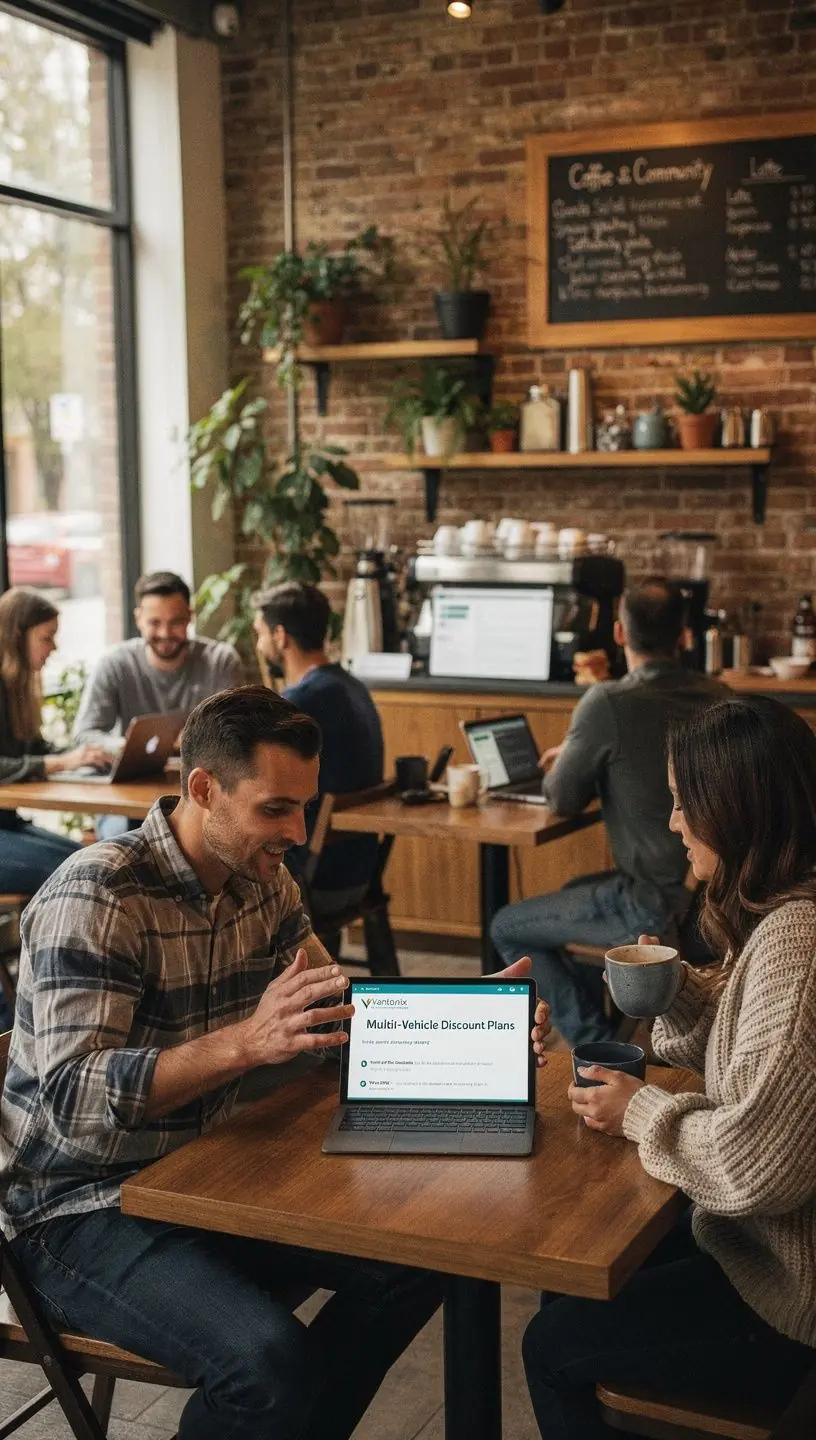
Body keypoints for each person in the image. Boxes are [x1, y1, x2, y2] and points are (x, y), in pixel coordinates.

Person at [0, 685, 446, 1440]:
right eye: (277, 808)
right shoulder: (100, 895)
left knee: (426, 1257)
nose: (298, 833)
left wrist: (469, 1019)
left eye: (303, 807)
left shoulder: (262, 879)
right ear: (203, 790)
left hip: (198, 1177)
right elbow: (73, 1101)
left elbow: (332, 1003)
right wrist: (247, 1042)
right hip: (72, 1209)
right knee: (268, 1366)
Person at [523, 696, 816, 1438]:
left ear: (736, 809)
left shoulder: (796, 941)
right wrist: (681, 991)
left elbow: (757, 1165)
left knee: (551, 1345)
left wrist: (640, 1112)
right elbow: (764, 1062)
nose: (674, 822)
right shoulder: (787, 916)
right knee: (567, 1284)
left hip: (788, 1296)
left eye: (686, 804)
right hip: (763, 1248)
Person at [490, 577, 727, 1046]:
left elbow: (562, 799)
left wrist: (574, 758)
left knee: (508, 925)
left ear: (619, 634)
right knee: (576, 891)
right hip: (717, 896)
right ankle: (606, 1031)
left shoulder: (609, 702)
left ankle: (595, 1047)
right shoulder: (722, 696)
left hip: (658, 904)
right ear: (684, 634)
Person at [74, 570, 243, 840]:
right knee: (125, 843)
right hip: (129, 796)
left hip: (198, 796)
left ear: (190, 615)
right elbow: (85, 735)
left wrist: (193, 742)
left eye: (176, 622)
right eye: (155, 622)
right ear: (138, 618)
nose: (165, 633)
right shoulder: (115, 664)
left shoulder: (219, 661)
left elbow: (237, 736)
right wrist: (127, 745)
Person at [253, 581, 384, 920]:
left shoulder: (298, 705)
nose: (259, 644)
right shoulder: (353, 687)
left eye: (260, 634)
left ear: (280, 637)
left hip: (313, 883)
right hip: (361, 873)